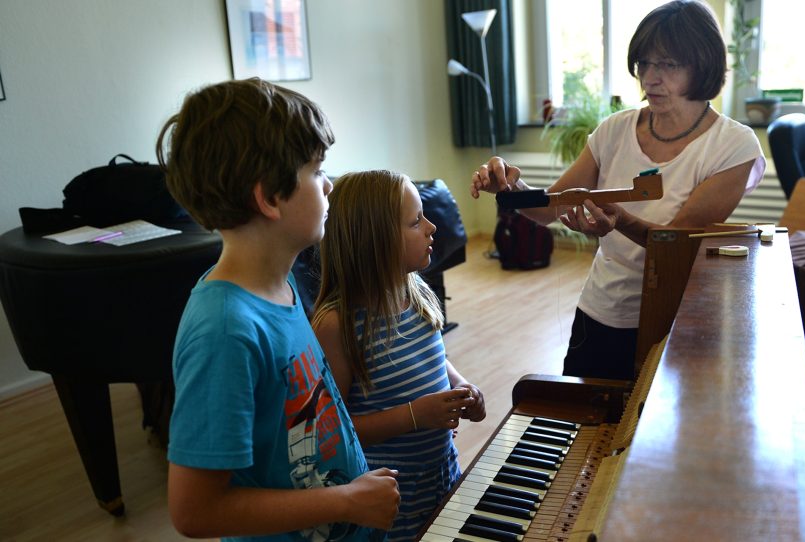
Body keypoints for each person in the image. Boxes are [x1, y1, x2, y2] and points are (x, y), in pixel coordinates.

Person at [156, 78, 400, 541]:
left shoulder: (282, 284)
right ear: (269, 197)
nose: (328, 183)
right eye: (315, 169)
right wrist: (346, 500)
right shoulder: (225, 331)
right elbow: (195, 511)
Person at [470, 0, 765, 381]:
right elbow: (550, 208)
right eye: (644, 63)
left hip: (671, 319)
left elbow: (677, 243)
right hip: (600, 310)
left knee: (649, 437)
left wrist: (619, 220)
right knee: (583, 428)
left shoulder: (733, 145)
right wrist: (511, 188)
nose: (650, 78)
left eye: (668, 64)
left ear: (702, 64)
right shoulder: (614, 130)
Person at [311, 170, 486, 541]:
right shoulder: (336, 325)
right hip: (391, 498)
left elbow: (432, 356)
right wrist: (414, 416)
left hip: (440, 472)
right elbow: (333, 434)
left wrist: (461, 385)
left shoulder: (415, 290)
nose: (431, 226)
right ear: (374, 241)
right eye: (415, 221)